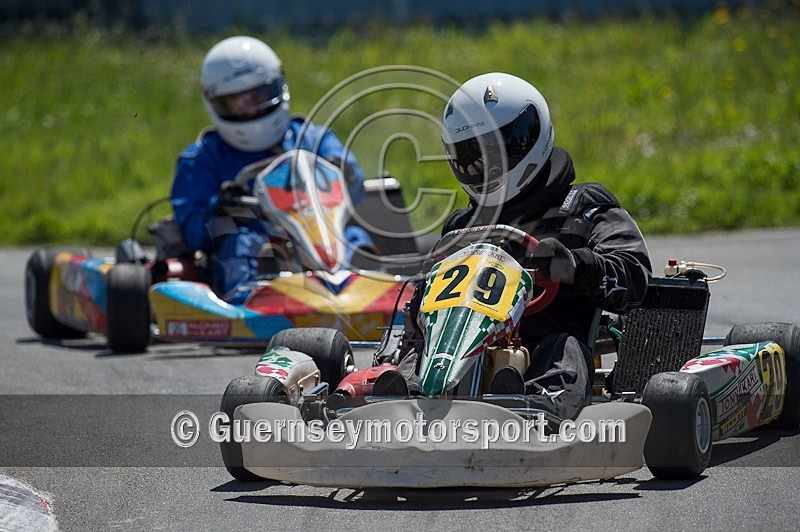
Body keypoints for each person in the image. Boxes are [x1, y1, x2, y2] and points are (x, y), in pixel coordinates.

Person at [377, 72, 652, 421]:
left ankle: (535, 410)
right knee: (420, 352)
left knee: (562, 347)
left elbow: (636, 278)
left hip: (544, 354)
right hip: (462, 351)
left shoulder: (583, 207)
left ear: (526, 139)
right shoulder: (462, 227)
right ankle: (402, 401)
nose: (478, 165)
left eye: (489, 151)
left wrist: (577, 265)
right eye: (467, 154)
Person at [170, 36, 366, 303]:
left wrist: (337, 171)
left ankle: (367, 295)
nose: (251, 109)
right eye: (238, 102)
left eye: (259, 96)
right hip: (257, 239)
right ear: (216, 102)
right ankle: (250, 303)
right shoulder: (203, 158)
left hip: (319, 229)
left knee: (355, 236)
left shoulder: (310, 138)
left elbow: (354, 180)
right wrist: (220, 210)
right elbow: (192, 229)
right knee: (243, 243)